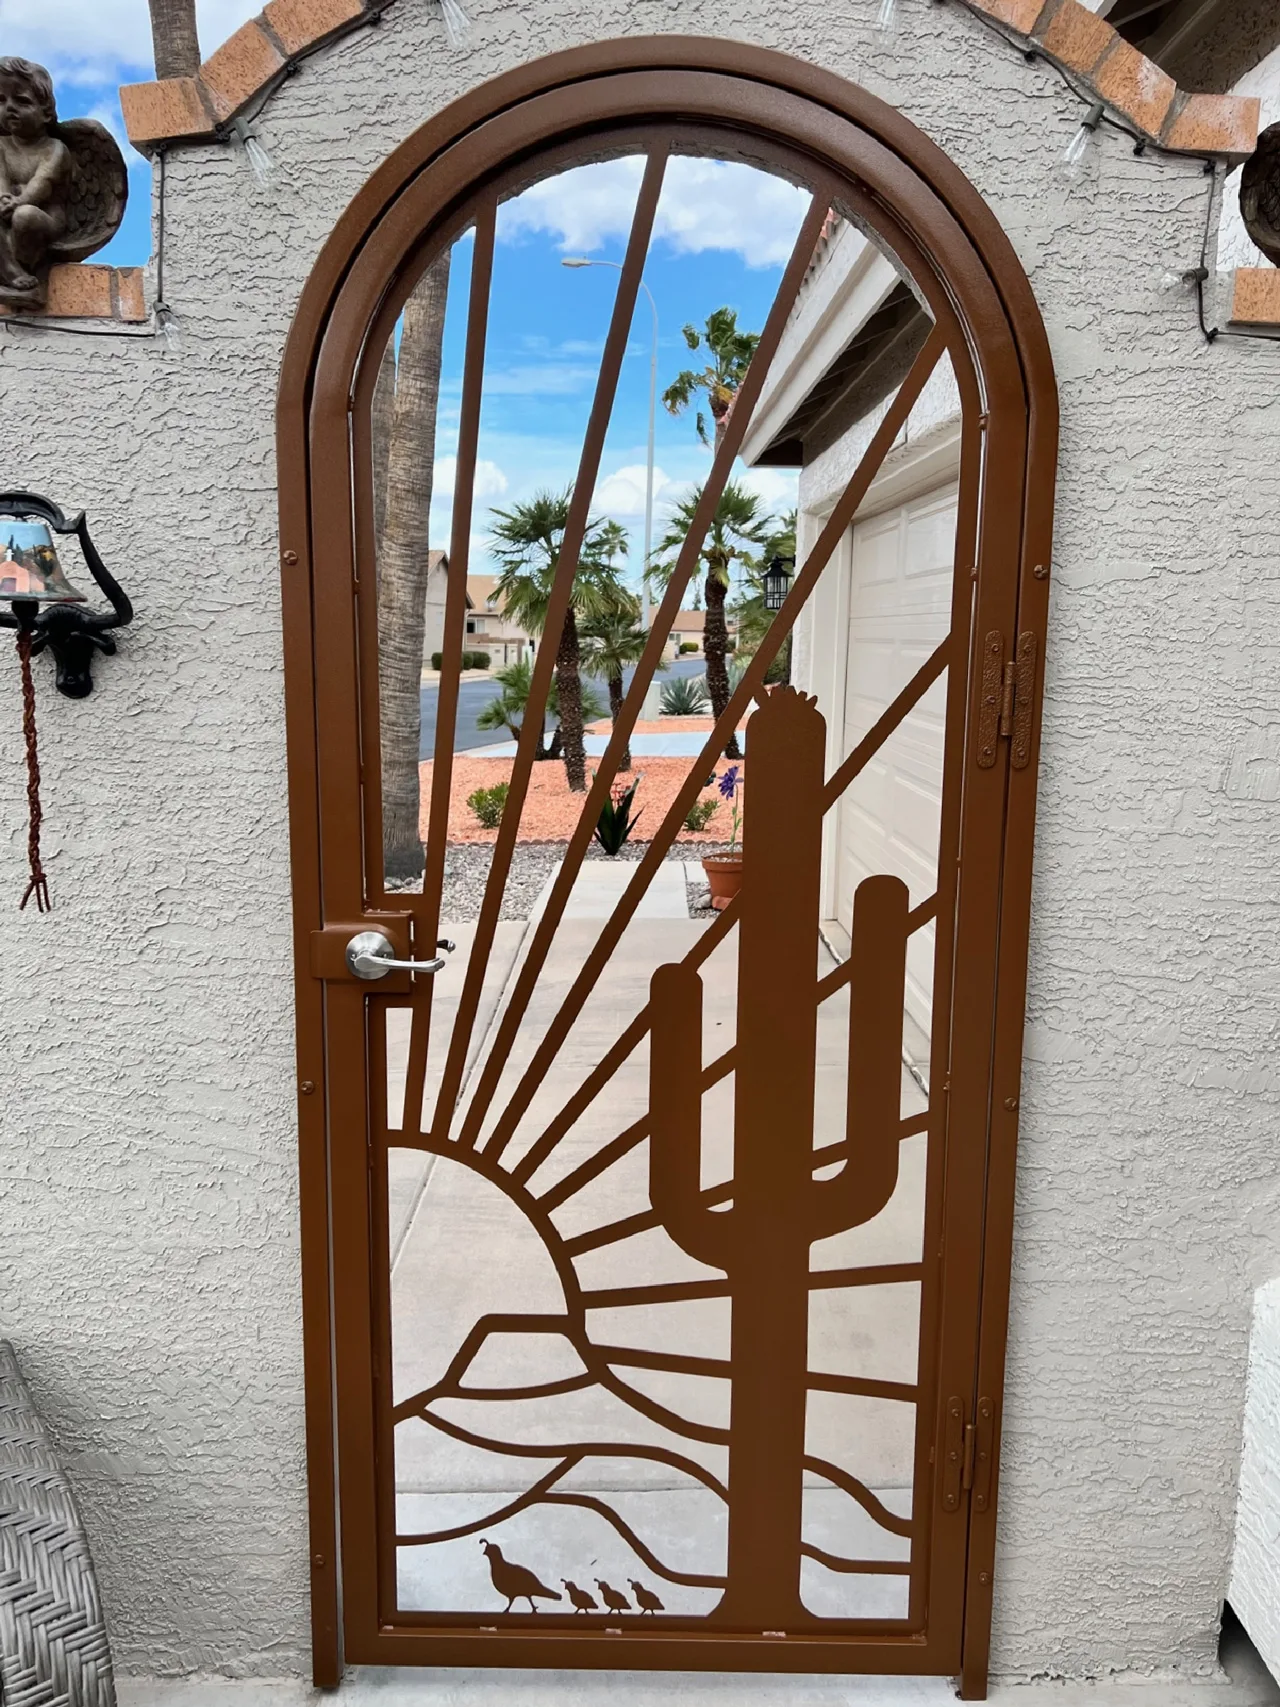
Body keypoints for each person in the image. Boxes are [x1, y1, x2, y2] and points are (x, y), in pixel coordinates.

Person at [0, 58, 70, 300]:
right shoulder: (1, 145)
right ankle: (9, 272)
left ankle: (25, 275)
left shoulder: (55, 148)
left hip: (45, 217)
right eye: (1, 100)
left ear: (46, 112)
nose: (9, 108)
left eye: (22, 101)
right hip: (9, 210)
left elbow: (43, 182)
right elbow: (0, 178)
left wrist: (19, 202)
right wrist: (4, 199)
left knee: (25, 215)